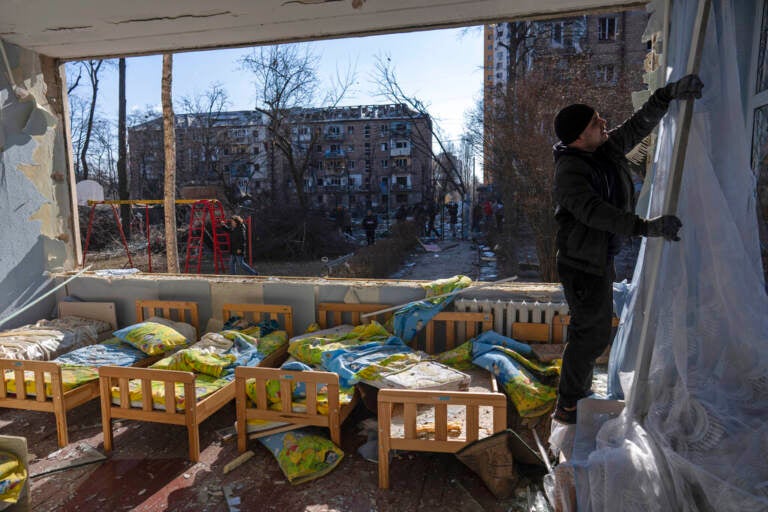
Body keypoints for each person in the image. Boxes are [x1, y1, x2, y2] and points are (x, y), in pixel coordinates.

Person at [551, 74, 703, 424]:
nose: (602, 122)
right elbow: (594, 213)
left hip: (597, 258)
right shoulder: (569, 172)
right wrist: (645, 228)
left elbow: (635, 128)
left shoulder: (601, 149)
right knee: (590, 333)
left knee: (593, 331)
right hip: (581, 264)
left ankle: (574, 397)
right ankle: (570, 404)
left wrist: (665, 96)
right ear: (578, 137)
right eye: (594, 122)